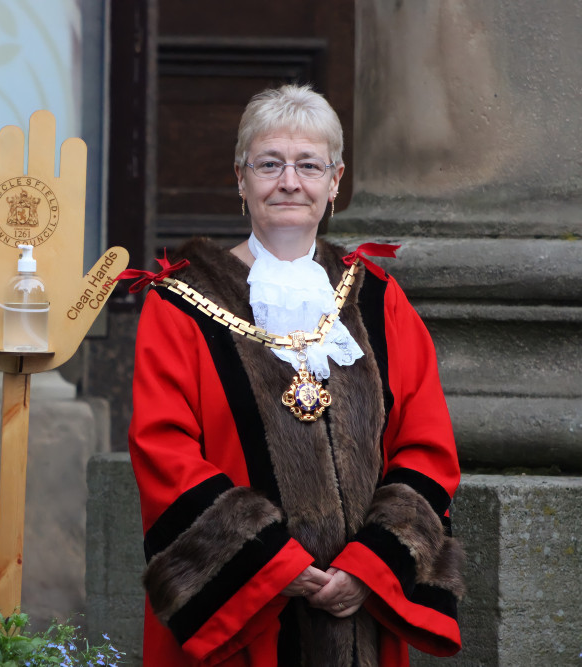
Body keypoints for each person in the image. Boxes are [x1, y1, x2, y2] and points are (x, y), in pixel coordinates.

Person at [126, 84, 463, 666]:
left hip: (360, 607)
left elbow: (427, 446)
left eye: (309, 165)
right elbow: (164, 450)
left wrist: (370, 566)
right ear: (240, 178)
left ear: (334, 182)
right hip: (242, 613)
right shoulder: (179, 303)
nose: (289, 182)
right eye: (269, 164)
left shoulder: (380, 302)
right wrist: (272, 565)